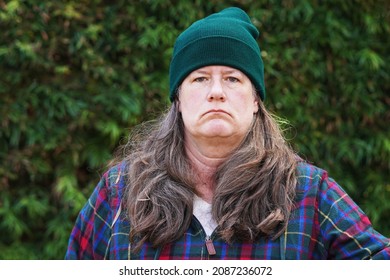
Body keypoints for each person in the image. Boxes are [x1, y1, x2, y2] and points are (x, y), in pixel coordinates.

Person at [65, 7, 390, 260]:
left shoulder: (308, 194)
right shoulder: (120, 193)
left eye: (233, 78)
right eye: (200, 78)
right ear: (177, 100)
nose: (216, 92)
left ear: (255, 101)